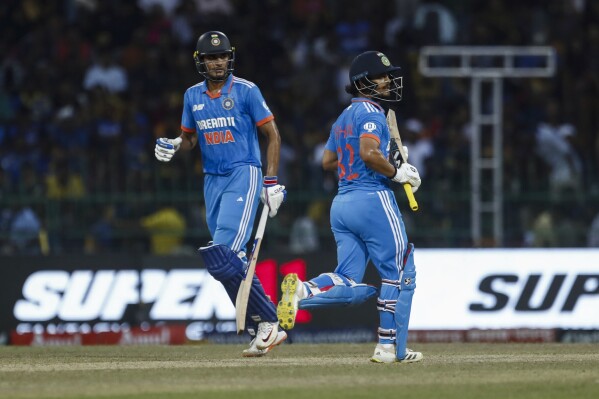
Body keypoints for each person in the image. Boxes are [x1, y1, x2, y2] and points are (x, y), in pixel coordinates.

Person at [276, 51, 423, 363]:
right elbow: (369, 154)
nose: (387, 81)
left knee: (348, 277)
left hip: (342, 204)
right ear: (364, 82)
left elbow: (328, 161)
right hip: (373, 200)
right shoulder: (372, 114)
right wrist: (396, 171)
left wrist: (385, 155)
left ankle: (303, 291)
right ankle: (389, 348)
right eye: (381, 76)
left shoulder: (343, 117)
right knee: (400, 271)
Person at [154, 31, 287, 357]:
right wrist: (174, 144)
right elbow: (190, 140)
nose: (218, 62)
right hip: (211, 180)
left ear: (231, 57)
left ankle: (268, 321)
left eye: (223, 56)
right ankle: (264, 327)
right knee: (226, 261)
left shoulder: (246, 90)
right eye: (211, 57)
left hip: (244, 172)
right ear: (201, 61)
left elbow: (272, 135)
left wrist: (270, 182)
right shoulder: (191, 96)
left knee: (223, 251)